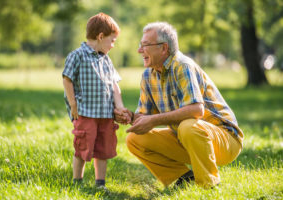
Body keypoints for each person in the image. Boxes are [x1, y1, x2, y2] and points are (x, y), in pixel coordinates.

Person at [114, 22, 244, 189]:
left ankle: (209, 185)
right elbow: (145, 118)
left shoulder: (182, 65)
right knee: (135, 139)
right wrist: (129, 117)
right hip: (187, 138)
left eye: (145, 45)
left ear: (164, 48)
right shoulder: (148, 75)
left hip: (225, 140)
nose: (140, 50)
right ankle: (184, 178)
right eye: (140, 45)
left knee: (188, 126)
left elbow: (196, 110)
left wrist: (153, 120)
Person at [62, 12, 129, 189]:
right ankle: (77, 182)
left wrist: (120, 106)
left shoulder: (106, 60)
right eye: (112, 40)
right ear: (100, 37)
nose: (113, 45)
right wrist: (73, 104)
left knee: (103, 149)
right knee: (82, 147)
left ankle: (100, 184)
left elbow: (114, 85)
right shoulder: (77, 56)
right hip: (85, 112)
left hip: (105, 115)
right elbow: (67, 79)